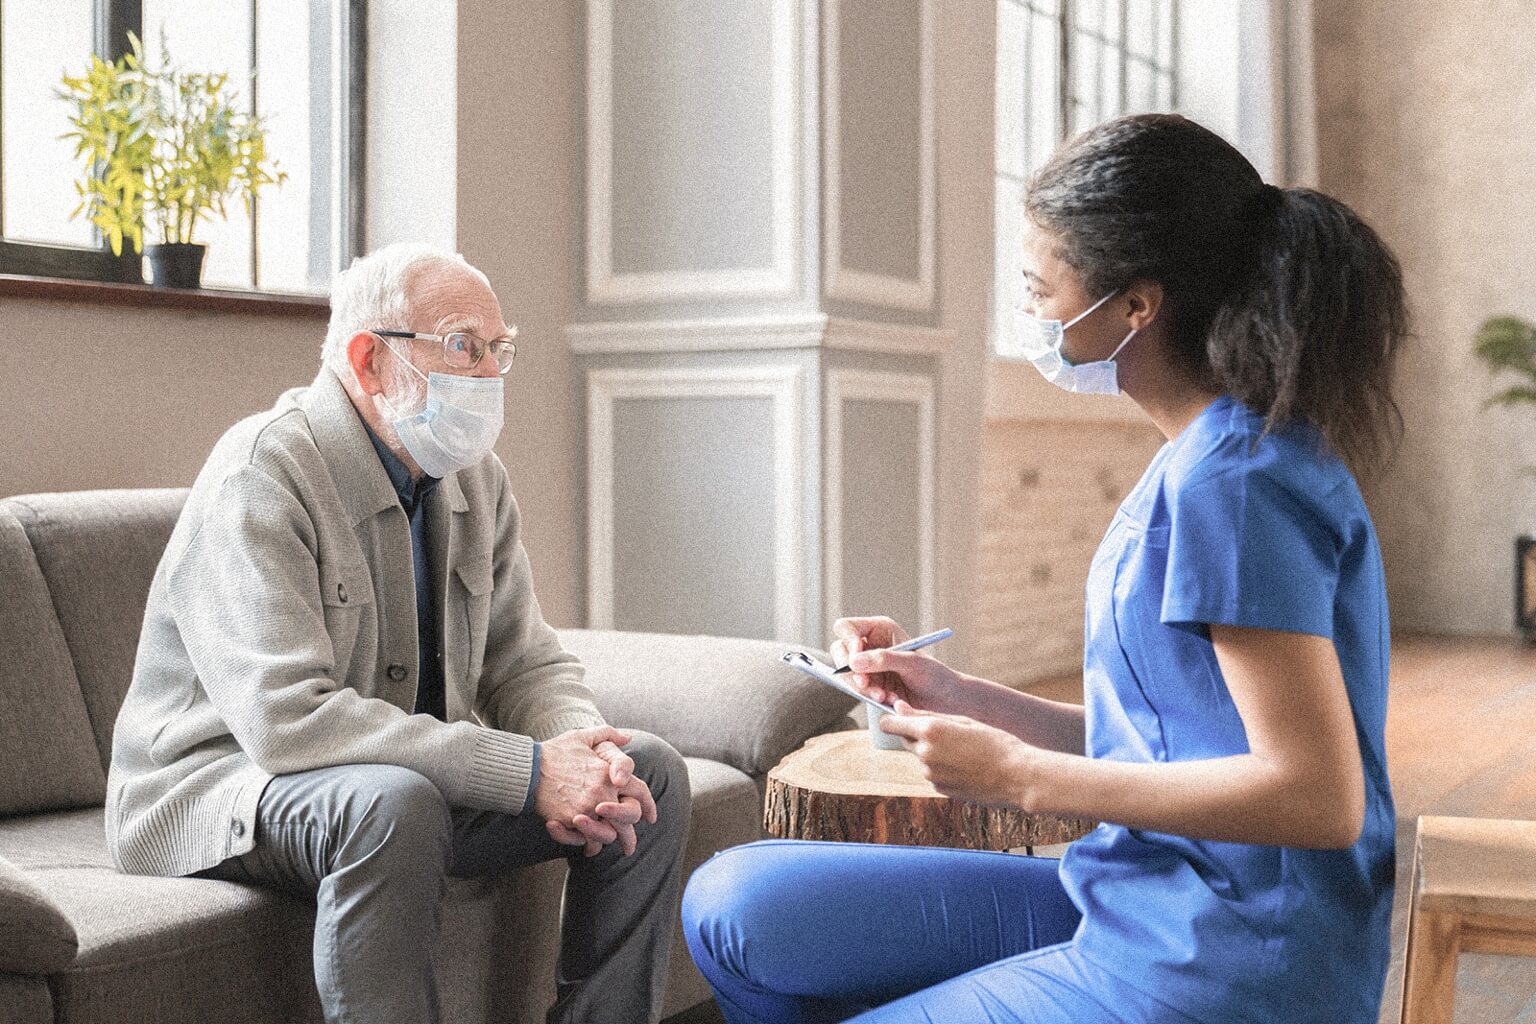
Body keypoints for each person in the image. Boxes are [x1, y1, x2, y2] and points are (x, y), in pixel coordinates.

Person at [682, 113, 1406, 1024]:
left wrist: (1019, 775)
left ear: (1136, 305)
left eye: (1040, 287)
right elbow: (1167, 735)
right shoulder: (1209, 452)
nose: (1032, 314)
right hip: (1136, 894)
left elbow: (1317, 796)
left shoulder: (1239, 481)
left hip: (1227, 960)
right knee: (733, 905)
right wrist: (961, 695)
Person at [106, 243, 690, 1024]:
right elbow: (287, 721)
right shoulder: (261, 474)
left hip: (399, 777)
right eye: (462, 347)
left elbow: (524, 662)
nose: (488, 373)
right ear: (369, 360)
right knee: (393, 804)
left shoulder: (474, 477)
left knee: (647, 775)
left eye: (498, 350)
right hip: (222, 788)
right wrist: (525, 773)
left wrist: (587, 753)